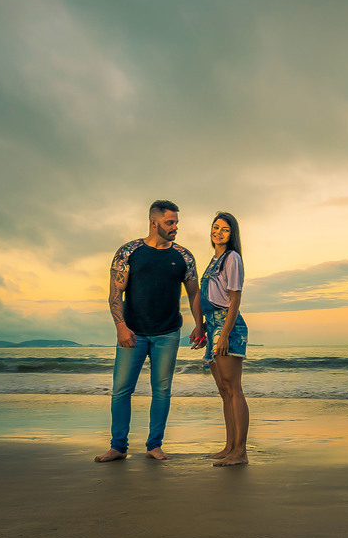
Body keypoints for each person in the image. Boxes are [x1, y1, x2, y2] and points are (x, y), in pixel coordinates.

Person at [95, 200, 205, 463]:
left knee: (162, 390)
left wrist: (200, 325)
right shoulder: (129, 251)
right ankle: (118, 446)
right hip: (132, 331)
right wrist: (121, 326)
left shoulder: (184, 256)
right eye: (170, 222)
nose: (175, 227)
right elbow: (115, 293)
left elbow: (194, 294)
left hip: (168, 333)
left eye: (177, 222)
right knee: (121, 389)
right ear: (154, 222)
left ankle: (154, 445)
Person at [201, 212, 251, 467]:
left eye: (225, 229)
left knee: (234, 389)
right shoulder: (214, 260)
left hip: (226, 325)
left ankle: (240, 452)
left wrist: (224, 334)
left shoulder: (232, 258)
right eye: (215, 227)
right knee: (224, 391)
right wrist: (202, 329)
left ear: (232, 235)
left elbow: (235, 299)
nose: (218, 232)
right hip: (212, 327)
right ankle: (229, 446)